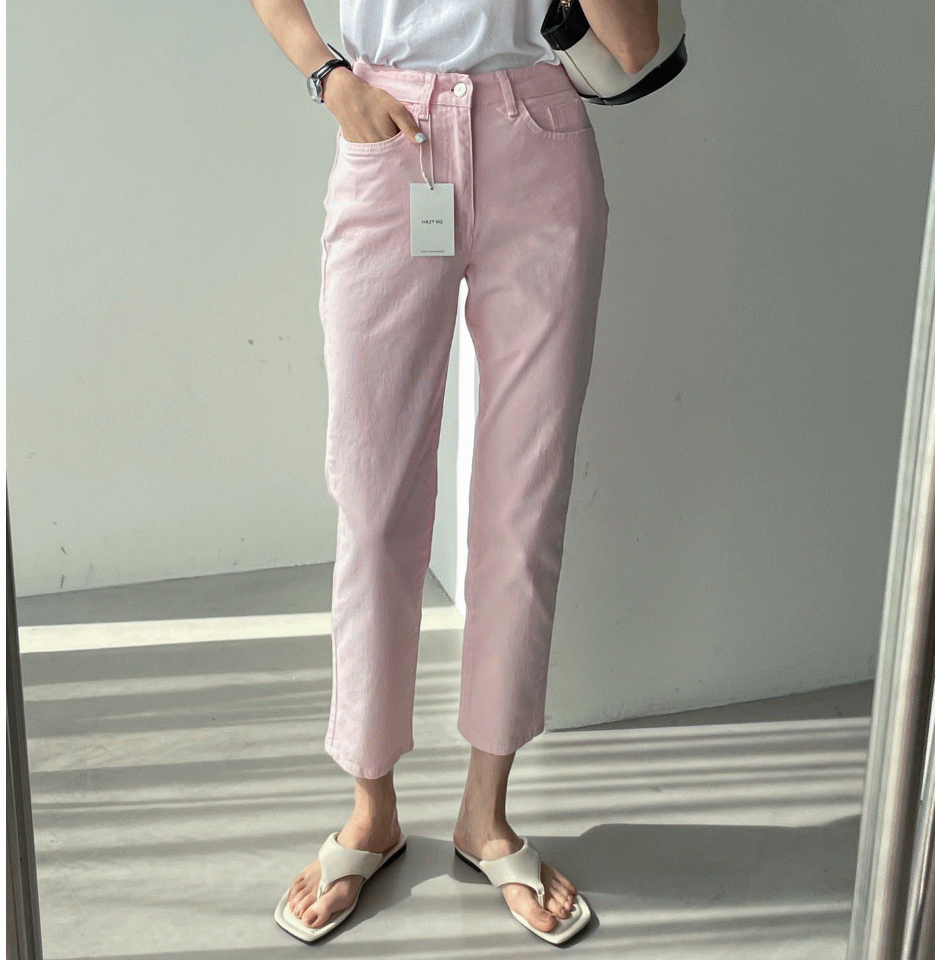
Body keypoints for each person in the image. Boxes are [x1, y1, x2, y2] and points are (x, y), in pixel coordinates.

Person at [250, 0, 654, 944]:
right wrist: (328, 76)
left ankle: (487, 813)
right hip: (389, 132)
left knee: (524, 502)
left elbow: (632, 48)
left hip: (540, 133)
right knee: (375, 498)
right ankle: (371, 809)